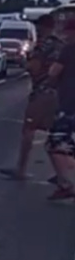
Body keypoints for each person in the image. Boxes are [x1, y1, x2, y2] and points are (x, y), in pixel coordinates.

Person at [0, 13, 64, 181]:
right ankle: (62, 172)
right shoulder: (61, 45)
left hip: (42, 92)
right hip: (59, 93)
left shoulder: (42, 45)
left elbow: (34, 68)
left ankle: (21, 169)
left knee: (29, 129)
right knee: (55, 133)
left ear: (42, 27)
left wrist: (25, 64)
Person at [43, 24, 75, 201]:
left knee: (56, 146)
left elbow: (54, 71)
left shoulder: (68, 49)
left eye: (67, 31)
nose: (64, 34)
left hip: (69, 104)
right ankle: (64, 183)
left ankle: (67, 184)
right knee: (59, 145)